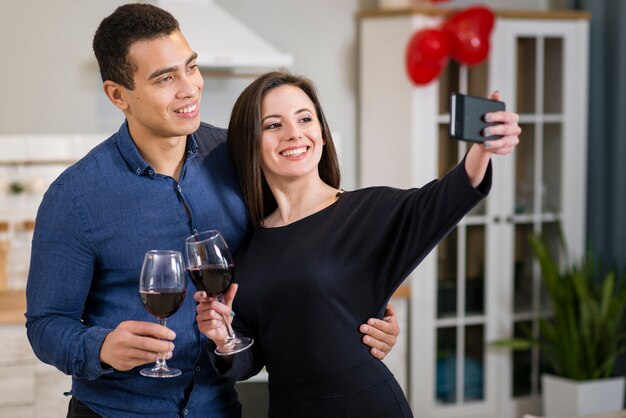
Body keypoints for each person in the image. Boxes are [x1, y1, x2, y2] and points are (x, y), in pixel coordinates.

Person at [24, 4, 400, 418]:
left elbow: (307, 238)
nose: (189, 88)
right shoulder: (75, 196)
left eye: (191, 67)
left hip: (219, 407)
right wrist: (101, 347)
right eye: (165, 78)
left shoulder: (239, 156)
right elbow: (46, 323)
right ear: (118, 95)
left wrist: (365, 315)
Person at [195, 71, 521, 417]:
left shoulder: (369, 211)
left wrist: (483, 149)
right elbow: (249, 362)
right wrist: (222, 337)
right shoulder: (248, 246)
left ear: (320, 133)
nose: (294, 133)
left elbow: (445, 198)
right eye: (273, 125)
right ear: (251, 142)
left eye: (305, 119)